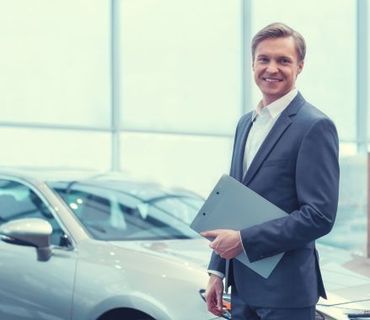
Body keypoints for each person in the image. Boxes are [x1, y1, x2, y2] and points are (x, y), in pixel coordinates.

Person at [201, 22, 339, 320]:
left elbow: (319, 216)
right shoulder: (245, 124)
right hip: (242, 290)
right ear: (253, 64)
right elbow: (233, 204)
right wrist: (217, 270)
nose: (271, 68)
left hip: (286, 293)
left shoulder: (314, 126)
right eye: (264, 59)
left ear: (300, 66)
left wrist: (244, 241)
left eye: (283, 60)